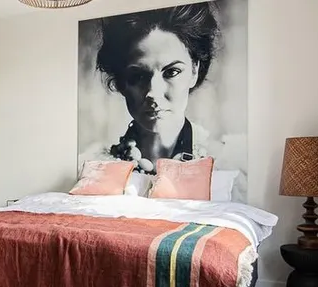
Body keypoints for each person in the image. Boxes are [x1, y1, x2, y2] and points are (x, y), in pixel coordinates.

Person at [95, 3, 222, 174]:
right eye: (138, 76)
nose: (153, 93)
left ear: (194, 70)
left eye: (172, 72)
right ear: (120, 82)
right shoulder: (99, 166)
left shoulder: (225, 165)